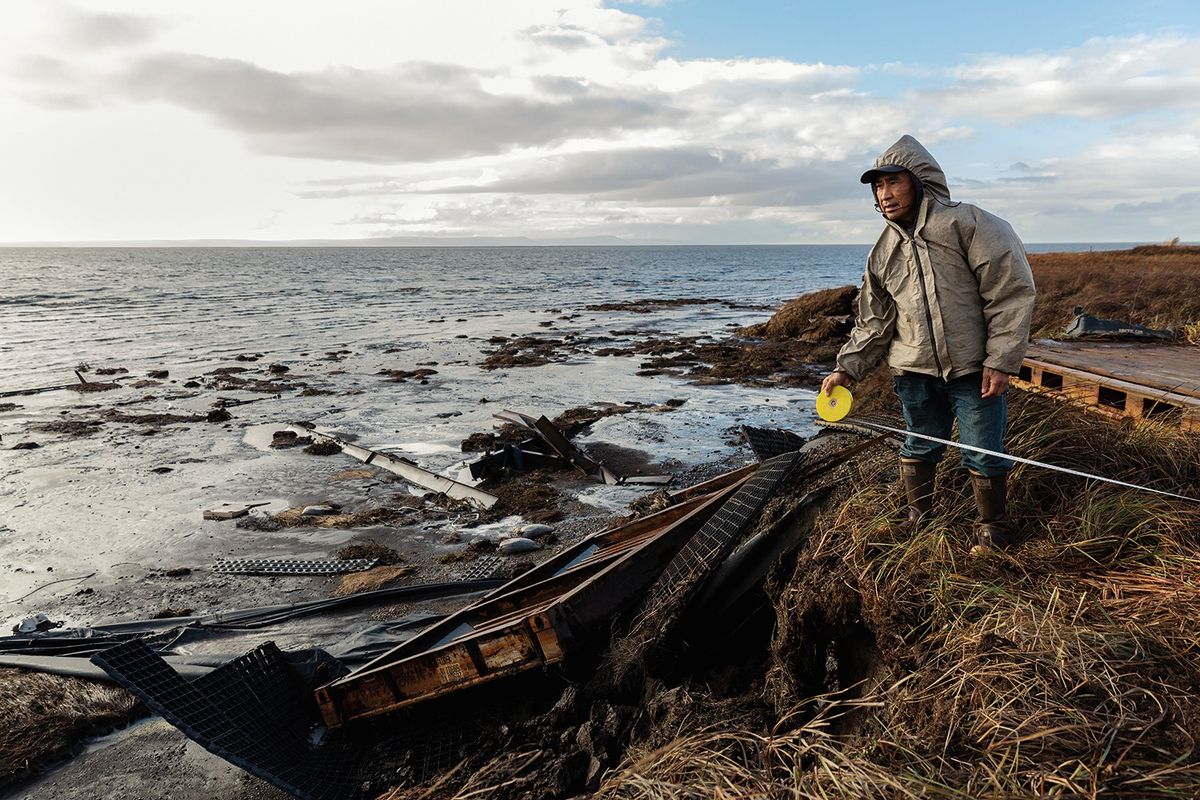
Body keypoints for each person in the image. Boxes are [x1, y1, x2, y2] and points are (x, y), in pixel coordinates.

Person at [820, 134, 1036, 551]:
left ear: (919, 180)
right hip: (913, 372)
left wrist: (1002, 359)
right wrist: (846, 369)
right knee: (920, 442)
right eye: (877, 186)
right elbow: (874, 321)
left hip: (974, 370)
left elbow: (1010, 292)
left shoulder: (968, 223)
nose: (885, 194)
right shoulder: (882, 252)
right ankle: (918, 520)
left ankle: (993, 532)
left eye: (893, 182)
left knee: (982, 450)